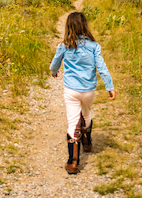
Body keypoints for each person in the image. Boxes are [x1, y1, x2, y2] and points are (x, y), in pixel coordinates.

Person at [49, 11, 116, 174]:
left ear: (68, 27)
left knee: (72, 122)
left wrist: (54, 71)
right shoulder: (94, 46)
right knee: (86, 114)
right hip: (88, 89)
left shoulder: (64, 45)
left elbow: (54, 64)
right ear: (85, 26)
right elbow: (102, 68)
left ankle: (73, 162)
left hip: (71, 90)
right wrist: (110, 86)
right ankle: (87, 142)